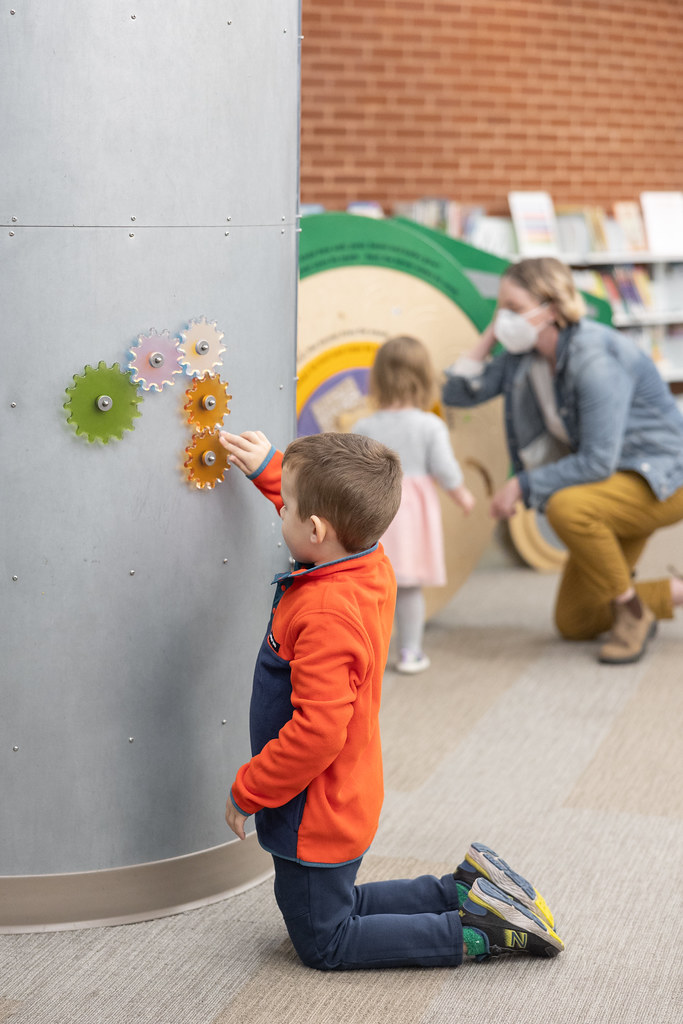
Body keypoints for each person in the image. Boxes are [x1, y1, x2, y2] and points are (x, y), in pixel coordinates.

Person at [218, 427, 564, 970]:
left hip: (315, 809)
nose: (279, 511)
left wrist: (249, 789)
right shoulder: (368, 562)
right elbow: (326, 517)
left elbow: (317, 733)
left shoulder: (326, 613)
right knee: (338, 905)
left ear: (313, 527)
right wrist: (270, 467)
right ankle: (467, 889)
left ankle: (480, 931)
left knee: (325, 941)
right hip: (345, 793)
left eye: (284, 506)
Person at [442, 256, 683, 664]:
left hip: (660, 479)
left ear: (550, 310)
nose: (505, 319)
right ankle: (666, 593)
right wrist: (492, 332)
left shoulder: (594, 360)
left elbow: (596, 463)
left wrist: (521, 484)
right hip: (611, 489)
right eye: (501, 308)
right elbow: (458, 394)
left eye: (514, 309)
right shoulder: (526, 356)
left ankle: (632, 611)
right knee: (574, 620)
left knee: (565, 506)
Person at [353, 336, 475, 674]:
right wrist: (463, 495)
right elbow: (446, 470)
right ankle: (410, 653)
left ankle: (368, 656)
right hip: (413, 518)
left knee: (371, 587)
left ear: (377, 379)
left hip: (375, 510)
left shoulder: (365, 427)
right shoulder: (429, 425)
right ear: (423, 378)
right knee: (408, 590)